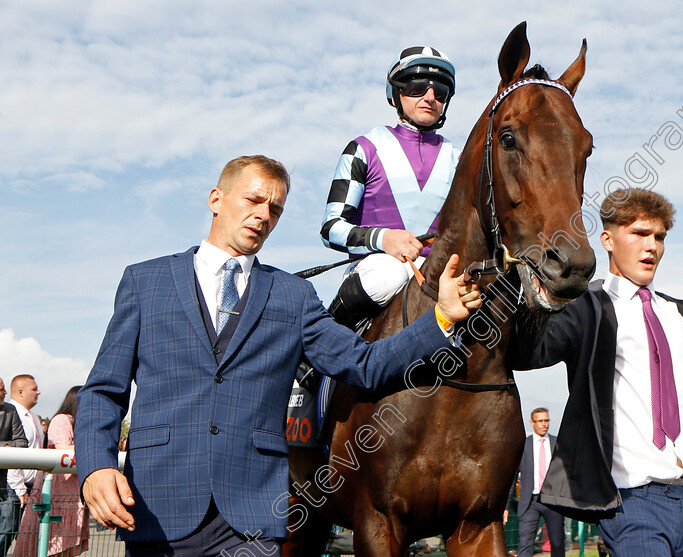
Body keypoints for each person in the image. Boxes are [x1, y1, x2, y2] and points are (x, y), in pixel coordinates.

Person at [75, 154, 481, 555]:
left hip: (253, 520)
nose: (263, 215)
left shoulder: (294, 296)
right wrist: (96, 466)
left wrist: (441, 316)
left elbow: (365, 365)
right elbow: (102, 391)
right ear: (216, 199)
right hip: (157, 508)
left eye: (275, 208)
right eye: (253, 201)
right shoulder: (145, 282)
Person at [509, 187, 683, 557]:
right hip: (632, 503)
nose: (651, 246)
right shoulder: (587, 308)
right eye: (638, 233)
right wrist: (528, 284)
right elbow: (529, 352)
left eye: (659, 237)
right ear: (607, 240)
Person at [321, 46, 460, 326]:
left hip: (438, 273)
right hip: (377, 267)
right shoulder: (363, 148)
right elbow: (330, 229)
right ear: (396, 93)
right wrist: (384, 239)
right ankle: (320, 344)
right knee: (389, 275)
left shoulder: (459, 159)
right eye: (416, 87)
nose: (430, 97)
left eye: (440, 91)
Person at [14, 386, 89, 557]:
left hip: (71, 491)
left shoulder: (79, 422)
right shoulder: (62, 420)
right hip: (57, 488)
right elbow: (63, 448)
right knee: (53, 538)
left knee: (66, 540)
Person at [505, 408, 565, 557]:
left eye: (546, 420)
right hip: (529, 501)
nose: (544, 424)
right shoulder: (523, 445)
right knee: (525, 543)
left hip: (553, 501)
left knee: (557, 543)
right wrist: (505, 507)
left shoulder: (557, 444)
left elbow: (566, 473)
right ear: (532, 423)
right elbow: (512, 478)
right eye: (540, 421)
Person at [5, 374, 42, 549]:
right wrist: (19, 488)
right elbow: (10, 454)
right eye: (34, 389)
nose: (38, 392)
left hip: (31, 488)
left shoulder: (32, 416)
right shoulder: (10, 414)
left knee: (27, 539)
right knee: (7, 532)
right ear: (20, 392)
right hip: (14, 488)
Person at [0, 378, 27, 555]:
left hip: (3, 482)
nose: (5, 393)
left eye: (3, 389)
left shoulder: (10, 410)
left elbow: (22, 442)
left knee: (10, 519)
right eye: (1, 390)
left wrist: (3, 447)